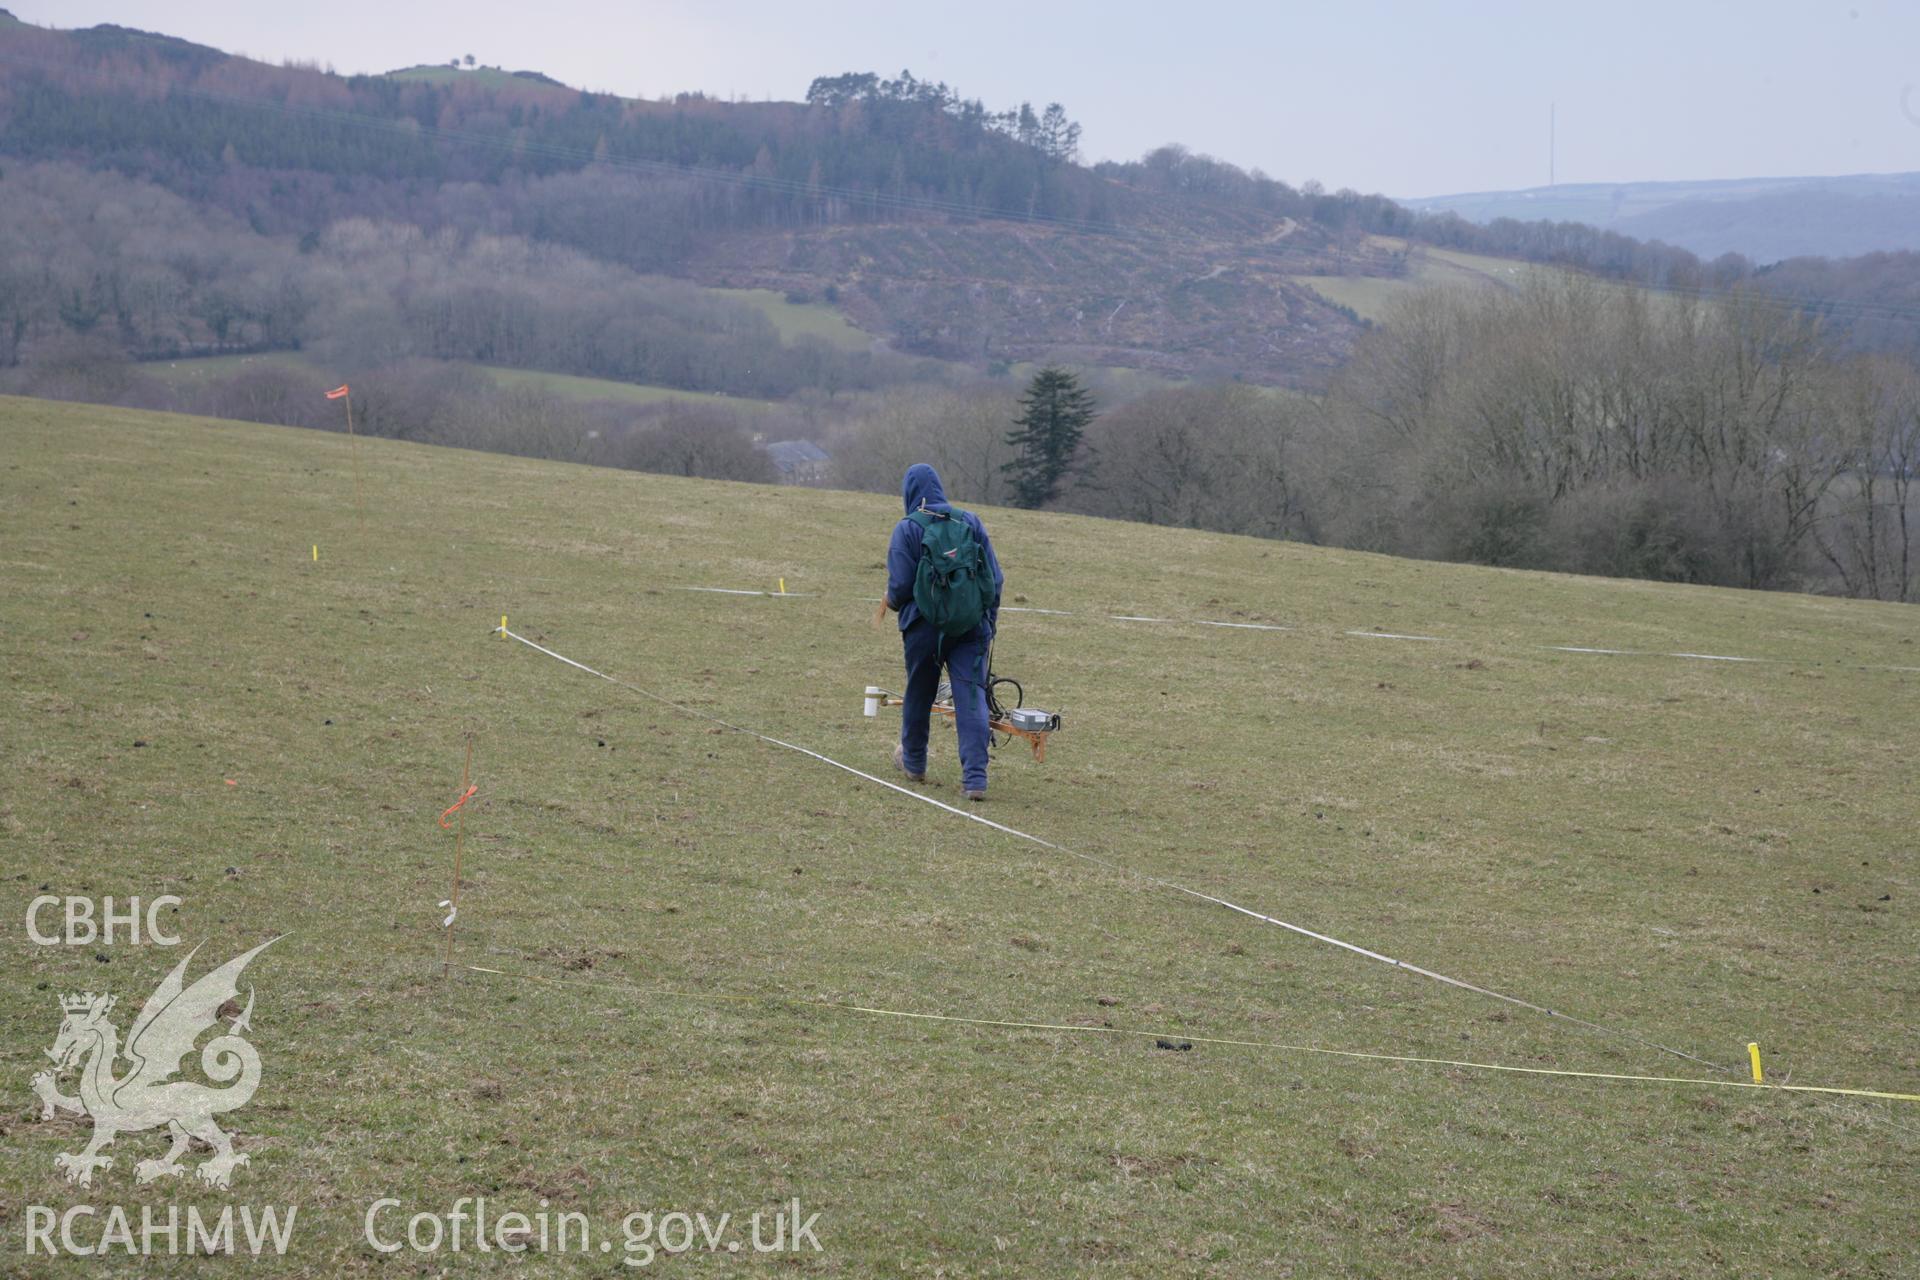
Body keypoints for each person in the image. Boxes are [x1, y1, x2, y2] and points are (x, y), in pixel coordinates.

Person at [883, 463, 1004, 800]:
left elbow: (900, 587)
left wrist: (894, 604)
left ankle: (914, 763)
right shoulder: (970, 521)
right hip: (971, 628)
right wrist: (987, 622)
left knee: (919, 692)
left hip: (923, 628)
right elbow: (994, 580)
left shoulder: (906, 528)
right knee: (971, 697)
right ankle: (975, 779)